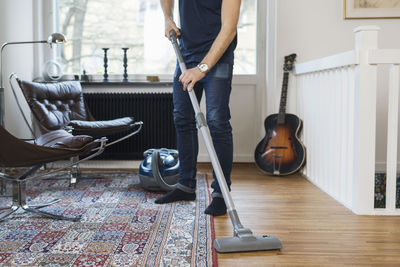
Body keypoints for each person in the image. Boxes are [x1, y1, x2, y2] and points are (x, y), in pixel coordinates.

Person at [155, 0, 241, 216]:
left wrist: (202, 68)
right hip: (186, 54)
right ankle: (185, 185)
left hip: (218, 57)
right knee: (182, 118)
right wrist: (168, 18)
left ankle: (221, 193)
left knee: (216, 121)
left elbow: (229, 29)